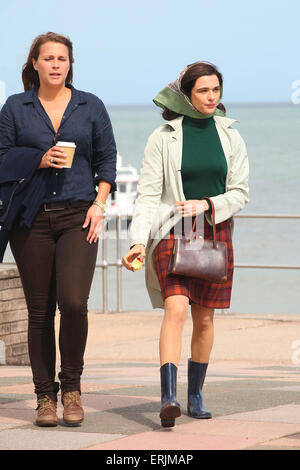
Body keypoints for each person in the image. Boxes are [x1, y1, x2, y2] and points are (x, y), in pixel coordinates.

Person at [122, 62, 249, 427]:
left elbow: (241, 193)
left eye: (216, 90)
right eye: (203, 91)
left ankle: (195, 394)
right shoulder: (162, 137)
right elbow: (147, 196)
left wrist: (208, 204)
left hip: (213, 229)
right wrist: (137, 242)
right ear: (186, 96)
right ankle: (169, 397)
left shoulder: (231, 136)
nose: (211, 97)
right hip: (172, 231)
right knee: (175, 309)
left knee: (205, 319)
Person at [0, 32, 117, 427]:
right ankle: (44, 398)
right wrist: (38, 158)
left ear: (70, 64)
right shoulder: (16, 107)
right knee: (39, 310)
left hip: (78, 215)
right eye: (48, 58)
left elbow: (107, 158)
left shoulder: (90, 105)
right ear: (34, 63)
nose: (55, 64)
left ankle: (72, 389)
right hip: (30, 219)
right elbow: (0, 157)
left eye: (62, 59)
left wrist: (100, 204)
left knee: (72, 303)